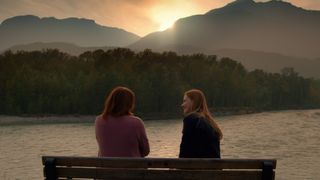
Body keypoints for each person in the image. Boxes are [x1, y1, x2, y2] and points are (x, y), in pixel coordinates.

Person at [95, 86, 150, 157]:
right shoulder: (136, 122)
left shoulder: (99, 121)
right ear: (129, 104)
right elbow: (146, 151)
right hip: (132, 167)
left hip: (105, 166)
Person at [179, 89, 223, 158]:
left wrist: (177, 166)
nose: (182, 105)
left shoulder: (191, 119)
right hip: (214, 168)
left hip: (199, 167)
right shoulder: (210, 122)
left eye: (184, 101)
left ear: (193, 102)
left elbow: (184, 149)